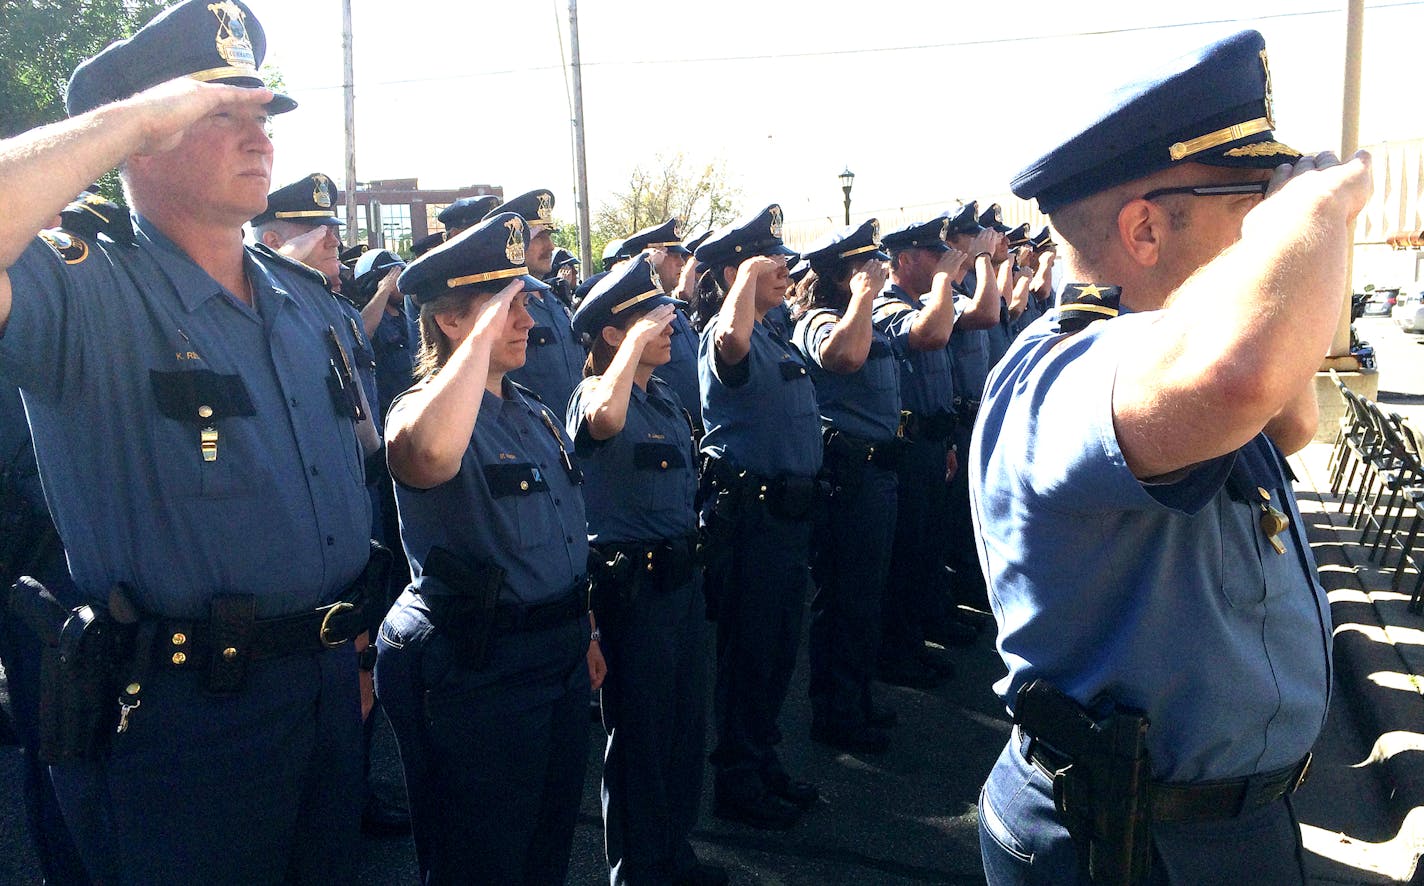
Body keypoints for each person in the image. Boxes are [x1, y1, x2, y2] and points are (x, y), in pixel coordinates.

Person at [972, 29, 1368, 885]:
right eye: (1245, 210)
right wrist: (1314, 214)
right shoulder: (1060, 370)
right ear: (1144, 229)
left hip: (1221, 826)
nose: (1260, 239)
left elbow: (1288, 414)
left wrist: (1283, 239)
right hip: (1126, 846)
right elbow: (1242, 374)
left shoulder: (1179, 361)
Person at [0, 2, 384, 882]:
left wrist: (351, 653)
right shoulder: (89, 293)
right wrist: (131, 117)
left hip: (324, 686)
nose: (259, 137)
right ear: (143, 136)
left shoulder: (304, 302)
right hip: (182, 719)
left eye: (261, 113)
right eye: (219, 113)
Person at [374, 210, 605, 885]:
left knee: (543, 854)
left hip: (555, 658)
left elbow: (562, 536)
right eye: (506, 306)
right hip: (483, 676)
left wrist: (581, 630)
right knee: (480, 863)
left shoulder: (531, 411)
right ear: (452, 321)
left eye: (526, 303)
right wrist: (478, 341)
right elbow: (424, 453)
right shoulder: (422, 410)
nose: (528, 321)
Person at [568, 255, 725, 886]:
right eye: (648, 319)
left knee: (684, 731)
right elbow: (602, 419)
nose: (668, 328)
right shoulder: (595, 395)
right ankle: (638, 871)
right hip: (632, 595)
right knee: (638, 739)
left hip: (681, 585)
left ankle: (672, 857)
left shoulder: (659, 398)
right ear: (613, 334)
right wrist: (633, 344)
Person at [694, 204, 822, 830]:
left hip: (789, 519)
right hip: (751, 521)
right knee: (749, 654)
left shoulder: (777, 335)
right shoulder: (725, 338)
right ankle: (738, 780)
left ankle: (763, 760)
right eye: (763, 260)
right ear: (730, 273)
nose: (782, 269)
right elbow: (729, 341)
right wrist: (744, 278)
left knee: (776, 652)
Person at [789, 220, 899, 754]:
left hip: (877, 473)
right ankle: (834, 711)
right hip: (846, 478)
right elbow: (843, 357)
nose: (877, 270)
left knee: (866, 598)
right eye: (864, 265)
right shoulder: (819, 318)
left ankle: (855, 698)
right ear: (841, 274)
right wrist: (863, 297)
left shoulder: (863, 315)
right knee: (844, 598)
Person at [872, 217, 969, 689]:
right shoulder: (886, 306)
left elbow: (938, 373)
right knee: (906, 554)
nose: (942, 262)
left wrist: (948, 441)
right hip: (905, 450)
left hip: (931, 441)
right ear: (906, 260)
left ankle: (916, 640)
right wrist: (945, 281)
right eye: (933, 255)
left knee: (927, 548)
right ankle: (897, 653)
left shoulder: (924, 300)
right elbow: (929, 337)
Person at [497, 188, 585, 415]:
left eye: (549, 236)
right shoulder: (502, 305)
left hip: (574, 439)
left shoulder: (555, 299)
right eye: (540, 237)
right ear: (513, 242)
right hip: (530, 436)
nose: (551, 246)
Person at [617, 218, 703, 430]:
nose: (681, 263)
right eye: (672, 256)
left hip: (685, 430)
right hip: (653, 425)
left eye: (681, 256)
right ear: (649, 258)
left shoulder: (674, 308)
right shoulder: (634, 315)